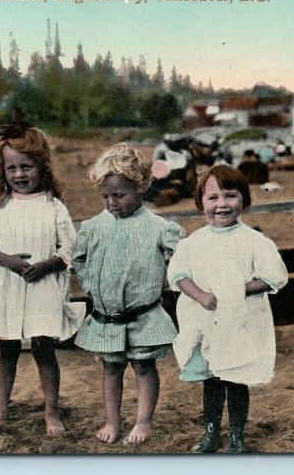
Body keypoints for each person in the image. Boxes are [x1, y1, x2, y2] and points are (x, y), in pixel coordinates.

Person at [0, 118, 83, 436]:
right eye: (12, 169)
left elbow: (70, 246)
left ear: (41, 167)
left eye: (26, 167)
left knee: (44, 349)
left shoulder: (53, 207)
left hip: (42, 287)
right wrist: (10, 262)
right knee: (6, 350)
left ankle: (52, 412)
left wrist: (47, 265)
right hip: (7, 288)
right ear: (2, 172)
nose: (19, 175)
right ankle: (2, 409)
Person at [168, 165, 288, 453]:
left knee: (235, 379)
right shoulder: (194, 242)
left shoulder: (255, 241)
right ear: (201, 204)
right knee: (211, 380)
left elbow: (274, 276)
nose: (222, 205)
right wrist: (201, 295)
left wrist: (238, 290)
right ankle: (211, 432)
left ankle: (236, 434)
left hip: (239, 323)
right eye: (213, 198)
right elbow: (178, 275)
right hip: (206, 321)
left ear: (243, 200)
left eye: (230, 196)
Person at [73, 143, 183, 444]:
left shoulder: (158, 227)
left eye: (119, 195)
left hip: (144, 314)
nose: (112, 202)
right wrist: (91, 286)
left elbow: (182, 261)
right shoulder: (93, 227)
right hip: (107, 316)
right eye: (105, 196)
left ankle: (144, 421)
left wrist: (169, 280)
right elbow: (79, 259)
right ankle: (112, 420)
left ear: (140, 188)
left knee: (144, 366)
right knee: (111, 368)